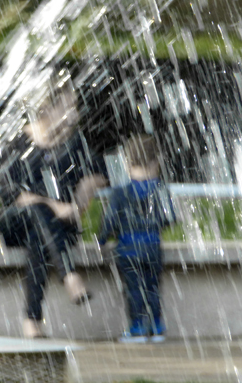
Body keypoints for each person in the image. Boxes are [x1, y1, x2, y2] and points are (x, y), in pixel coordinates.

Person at [0, 83, 107, 338]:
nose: (75, 115)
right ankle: (68, 275)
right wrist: (54, 205)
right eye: (69, 107)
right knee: (36, 213)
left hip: (58, 227)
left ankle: (32, 322)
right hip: (16, 224)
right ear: (46, 108)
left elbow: (101, 173)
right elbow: (14, 195)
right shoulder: (17, 143)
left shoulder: (75, 142)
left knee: (40, 239)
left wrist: (88, 186)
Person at [97, 135, 175, 343]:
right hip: (152, 247)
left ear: (127, 164)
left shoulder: (120, 193)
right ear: (156, 162)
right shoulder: (160, 190)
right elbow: (170, 218)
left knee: (133, 289)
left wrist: (103, 240)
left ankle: (137, 328)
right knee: (153, 287)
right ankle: (157, 326)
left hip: (127, 248)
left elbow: (109, 221)